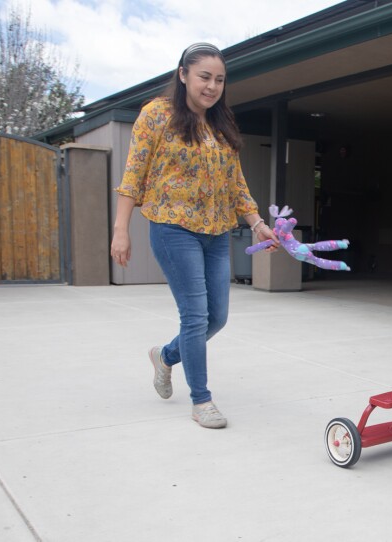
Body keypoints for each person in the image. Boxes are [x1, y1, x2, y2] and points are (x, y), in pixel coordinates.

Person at [110, 42, 279, 429]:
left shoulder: (221, 124)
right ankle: (201, 400)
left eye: (219, 79)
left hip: (218, 232)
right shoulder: (156, 115)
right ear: (183, 74)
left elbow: (235, 183)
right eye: (204, 77)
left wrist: (256, 223)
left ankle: (165, 357)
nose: (212, 86)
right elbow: (133, 175)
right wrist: (121, 231)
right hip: (173, 228)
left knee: (216, 318)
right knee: (195, 315)